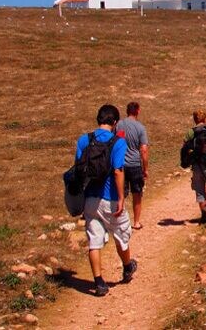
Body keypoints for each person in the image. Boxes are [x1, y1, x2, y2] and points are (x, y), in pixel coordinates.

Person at [74, 104, 137, 297]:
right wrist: (120, 198)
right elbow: (118, 170)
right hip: (109, 198)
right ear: (115, 122)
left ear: (98, 120)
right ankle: (127, 266)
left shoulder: (84, 140)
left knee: (94, 240)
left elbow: (78, 168)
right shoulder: (117, 142)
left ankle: (99, 282)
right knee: (121, 234)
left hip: (90, 199)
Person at [119, 101, 149, 230]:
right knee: (137, 193)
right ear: (137, 111)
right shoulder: (140, 128)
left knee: (121, 194)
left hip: (121, 164)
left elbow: (117, 141)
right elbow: (144, 149)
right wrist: (145, 168)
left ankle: (122, 222)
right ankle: (136, 222)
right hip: (135, 165)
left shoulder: (119, 125)